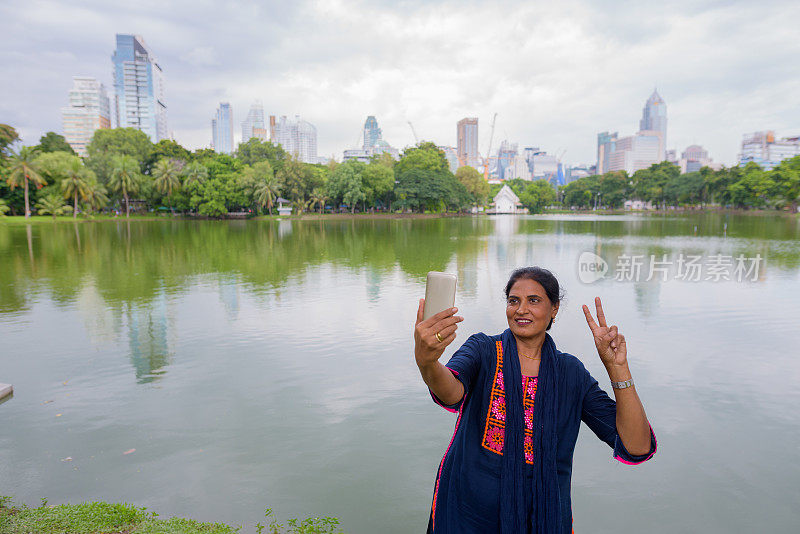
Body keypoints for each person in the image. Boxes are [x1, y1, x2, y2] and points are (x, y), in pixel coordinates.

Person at [414, 267, 656, 534]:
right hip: (468, 514)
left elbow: (637, 445)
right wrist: (427, 361)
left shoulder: (570, 374)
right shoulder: (483, 350)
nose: (521, 309)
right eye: (513, 300)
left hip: (542, 519)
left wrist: (618, 368)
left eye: (534, 300)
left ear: (554, 308)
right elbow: (450, 392)